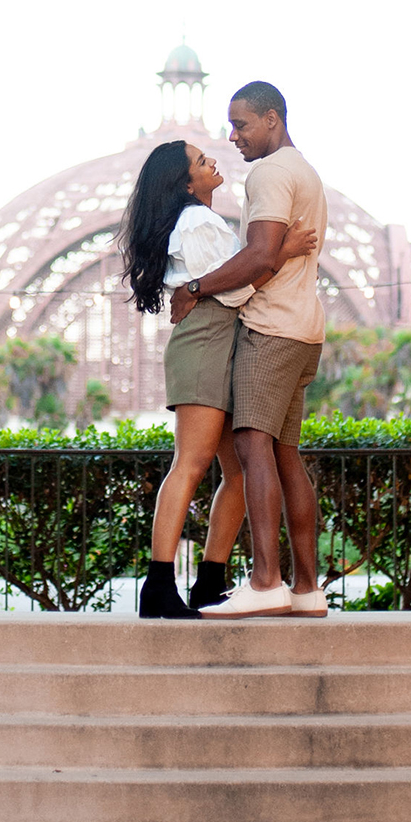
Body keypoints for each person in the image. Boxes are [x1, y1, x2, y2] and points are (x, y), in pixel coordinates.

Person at [119, 137, 318, 619]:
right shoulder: (197, 221)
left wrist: (266, 257)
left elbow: (229, 281)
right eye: (200, 161)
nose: (212, 160)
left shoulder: (204, 221)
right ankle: (159, 587)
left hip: (223, 347)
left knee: (236, 472)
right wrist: (281, 252)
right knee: (190, 463)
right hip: (206, 344)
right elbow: (231, 294)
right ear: (185, 181)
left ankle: (210, 581)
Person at [169, 80, 328, 618]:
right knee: (286, 456)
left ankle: (266, 582)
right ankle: (306, 590)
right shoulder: (305, 171)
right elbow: (271, 254)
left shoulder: (269, 171)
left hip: (272, 328)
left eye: (241, 124)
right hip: (306, 328)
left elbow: (259, 258)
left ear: (272, 120)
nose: (232, 136)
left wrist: (193, 287)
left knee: (253, 447)